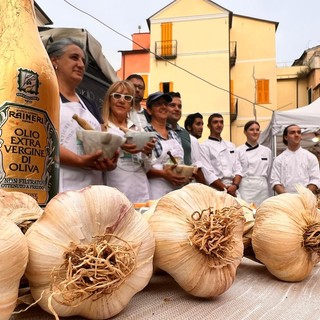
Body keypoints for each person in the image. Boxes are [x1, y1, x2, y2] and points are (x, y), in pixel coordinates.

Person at [47, 37, 118, 192]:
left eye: (83, 60)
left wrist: (109, 160)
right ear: (54, 61)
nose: (80, 64)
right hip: (61, 190)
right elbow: (40, 143)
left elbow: (101, 140)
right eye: (74, 58)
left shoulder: (89, 104)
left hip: (93, 190)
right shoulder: (44, 97)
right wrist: (78, 160)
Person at [101, 80, 154, 203]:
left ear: (131, 105)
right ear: (109, 101)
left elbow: (147, 167)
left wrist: (148, 152)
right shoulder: (102, 128)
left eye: (127, 97)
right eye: (117, 96)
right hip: (116, 193)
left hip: (142, 192)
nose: (122, 100)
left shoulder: (139, 129)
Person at [144, 91, 186, 199]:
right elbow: (142, 168)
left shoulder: (174, 135)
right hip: (156, 192)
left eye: (165, 104)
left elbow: (180, 162)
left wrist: (186, 174)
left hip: (177, 193)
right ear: (149, 110)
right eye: (158, 104)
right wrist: (163, 174)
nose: (163, 107)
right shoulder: (145, 133)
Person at [167, 92, 206, 184]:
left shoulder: (184, 133)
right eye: (172, 105)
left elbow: (191, 163)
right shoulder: (157, 131)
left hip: (185, 186)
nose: (177, 109)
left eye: (179, 106)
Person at [270, 124, 320, 194]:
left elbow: (315, 179)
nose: (296, 135)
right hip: (286, 199)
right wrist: (287, 197)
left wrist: (305, 195)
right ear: (285, 137)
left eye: (298, 132)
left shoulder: (310, 157)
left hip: (306, 199)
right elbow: (274, 181)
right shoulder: (279, 159)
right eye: (292, 132)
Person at [201, 113, 242, 197]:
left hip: (233, 189)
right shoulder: (204, 146)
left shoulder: (231, 146)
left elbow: (238, 169)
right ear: (209, 126)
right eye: (215, 122)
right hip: (215, 189)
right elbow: (208, 173)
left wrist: (235, 186)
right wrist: (225, 189)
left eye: (221, 122)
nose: (219, 125)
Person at [237, 120, 272, 206]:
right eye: (251, 130)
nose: (255, 132)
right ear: (245, 132)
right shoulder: (238, 151)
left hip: (262, 188)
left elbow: (270, 172)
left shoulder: (267, 151)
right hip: (245, 188)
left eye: (257, 130)